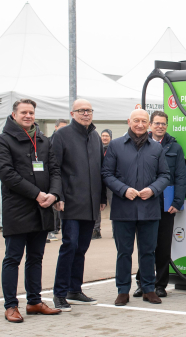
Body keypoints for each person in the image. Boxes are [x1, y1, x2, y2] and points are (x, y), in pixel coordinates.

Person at [0, 99, 62, 323]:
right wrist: (37, 194)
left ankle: (34, 301)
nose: (28, 116)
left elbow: (55, 170)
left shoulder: (43, 140)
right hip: (18, 209)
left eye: (31, 112)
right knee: (13, 258)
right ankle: (11, 306)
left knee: (36, 258)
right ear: (14, 114)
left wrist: (54, 194)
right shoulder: (4, 140)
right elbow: (7, 174)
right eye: (24, 112)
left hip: (43, 208)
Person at [102, 109, 170, 306]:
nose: (140, 124)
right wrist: (123, 190)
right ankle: (123, 290)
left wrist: (153, 189)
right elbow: (106, 173)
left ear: (149, 124)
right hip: (124, 208)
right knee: (124, 252)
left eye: (144, 121)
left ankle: (149, 289)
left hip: (149, 209)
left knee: (148, 251)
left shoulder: (156, 149)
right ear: (129, 121)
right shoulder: (115, 146)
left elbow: (165, 175)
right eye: (136, 120)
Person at [52, 99, 106, 311]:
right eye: (82, 110)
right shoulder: (61, 135)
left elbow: (100, 170)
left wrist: (102, 198)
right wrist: (58, 195)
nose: (86, 114)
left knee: (82, 248)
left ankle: (75, 289)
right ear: (73, 113)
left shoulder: (94, 136)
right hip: (70, 202)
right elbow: (54, 168)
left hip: (91, 203)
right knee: (69, 246)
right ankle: (59, 293)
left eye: (89, 110)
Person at [132, 111, 186, 298]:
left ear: (167, 125)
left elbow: (180, 176)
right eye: (156, 123)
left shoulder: (175, 148)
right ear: (150, 125)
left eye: (163, 123)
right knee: (146, 246)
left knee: (163, 246)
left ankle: (161, 284)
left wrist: (177, 201)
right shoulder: (139, 144)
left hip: (166, 205)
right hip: (145, 202)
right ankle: (142, 282)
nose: (160, 126)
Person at [47, 119, 69, 243]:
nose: (63, 130)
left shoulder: (67, 140)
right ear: (55, 127)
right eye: (61, 127)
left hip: (60, 184)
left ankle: (55, 228)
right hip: (51, 182)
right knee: (52, 208)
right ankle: (51, 230)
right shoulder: (50, 141)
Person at [92, 129, 114, 240]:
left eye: (107, 136)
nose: (104, 138)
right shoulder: (96, 148)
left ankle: (115, 230)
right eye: (103, 136)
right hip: (98, 180)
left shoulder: (113, 148)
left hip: (110, 180)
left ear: (110, 137)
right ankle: (96, 230)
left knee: (114, 205)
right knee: (96, 205)